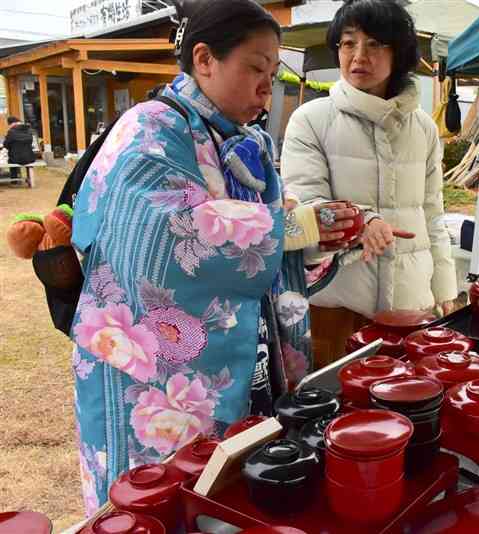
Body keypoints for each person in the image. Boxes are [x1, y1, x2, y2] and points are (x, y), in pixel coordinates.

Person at [69, 0, 358, 513]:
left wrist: (313, 238)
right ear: (204, 59)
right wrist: (293, 227)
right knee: (161, 498)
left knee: (230, 490)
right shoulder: (149, 130)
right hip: (155, 365)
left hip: (245, 351)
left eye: (273, 71)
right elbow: (167, 232)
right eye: (255, 68)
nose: (267, 87)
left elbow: (276, 237)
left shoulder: (250, 141)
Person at [281, 0, 457, 365]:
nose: (359, 55)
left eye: (375, 43)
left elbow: (433, 214)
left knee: (405, 413)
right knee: (335, 413)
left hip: (411, 305)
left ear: (400, 53)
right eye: (348, 43)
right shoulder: (310, 120)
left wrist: (445, 290)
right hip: (336, 307)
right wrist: (361, 221)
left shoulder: (423, 127)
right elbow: (304, 207)